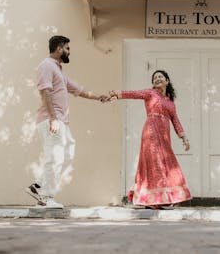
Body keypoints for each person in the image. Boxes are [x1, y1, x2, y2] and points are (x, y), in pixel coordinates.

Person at [28, 35, 109, 208]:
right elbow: (45, 92)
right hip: (52, 118)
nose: (69, 51)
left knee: (67, 152)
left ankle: (39, 186)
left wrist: (99, 97)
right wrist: (53, 119)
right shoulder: (46, 66)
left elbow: (78, 90)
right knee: (55, 156)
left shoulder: (59, 70)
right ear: (59, 48)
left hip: (60, 120)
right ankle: (46, 196)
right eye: (67, 48)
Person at [109, 69, 191, 209]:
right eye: (155, 78)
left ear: (167, 81)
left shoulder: (170, 102)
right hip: (151, 131)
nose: (157, 79)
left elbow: (175, 119)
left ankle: (159, 198)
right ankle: (157, 200)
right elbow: (134, 94)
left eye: (160, 77)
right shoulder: (150, 93)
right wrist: (118, 94)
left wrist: (184, 137)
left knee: (167, 163)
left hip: (165, 134)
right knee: (155, 162)